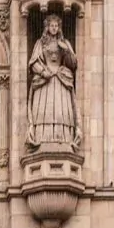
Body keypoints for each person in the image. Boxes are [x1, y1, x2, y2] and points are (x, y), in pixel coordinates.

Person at [26, 13, 79, 150]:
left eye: (56, 26)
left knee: (61, 111)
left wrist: (66, 51)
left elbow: (73, 64)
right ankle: (42, 139)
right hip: (45, 81)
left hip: (61, 81)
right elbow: (33, 63)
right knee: (45, 110)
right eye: (51, 25)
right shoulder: (40, 43)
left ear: (59, 27)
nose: (54, 28)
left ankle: (63, 139)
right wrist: (43, 72)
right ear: (47, 27)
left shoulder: (65, 43)